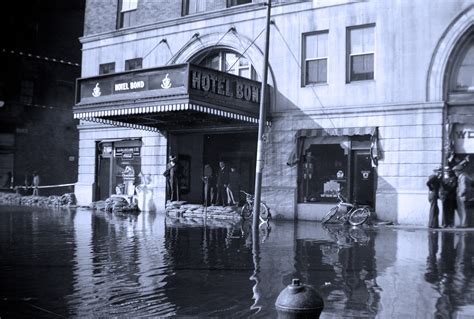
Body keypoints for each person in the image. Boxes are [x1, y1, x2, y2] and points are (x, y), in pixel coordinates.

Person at [453, 163, 470, 228]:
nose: (455, 173)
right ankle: (463, 223)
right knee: (461, 210)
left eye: (456, 171)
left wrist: (460, 194)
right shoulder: (461, 176)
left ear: (459, 171)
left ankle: (464, 224)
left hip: (462, 196)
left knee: (462, 210)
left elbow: (464, 187)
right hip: (461, 196)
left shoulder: (463, 177)